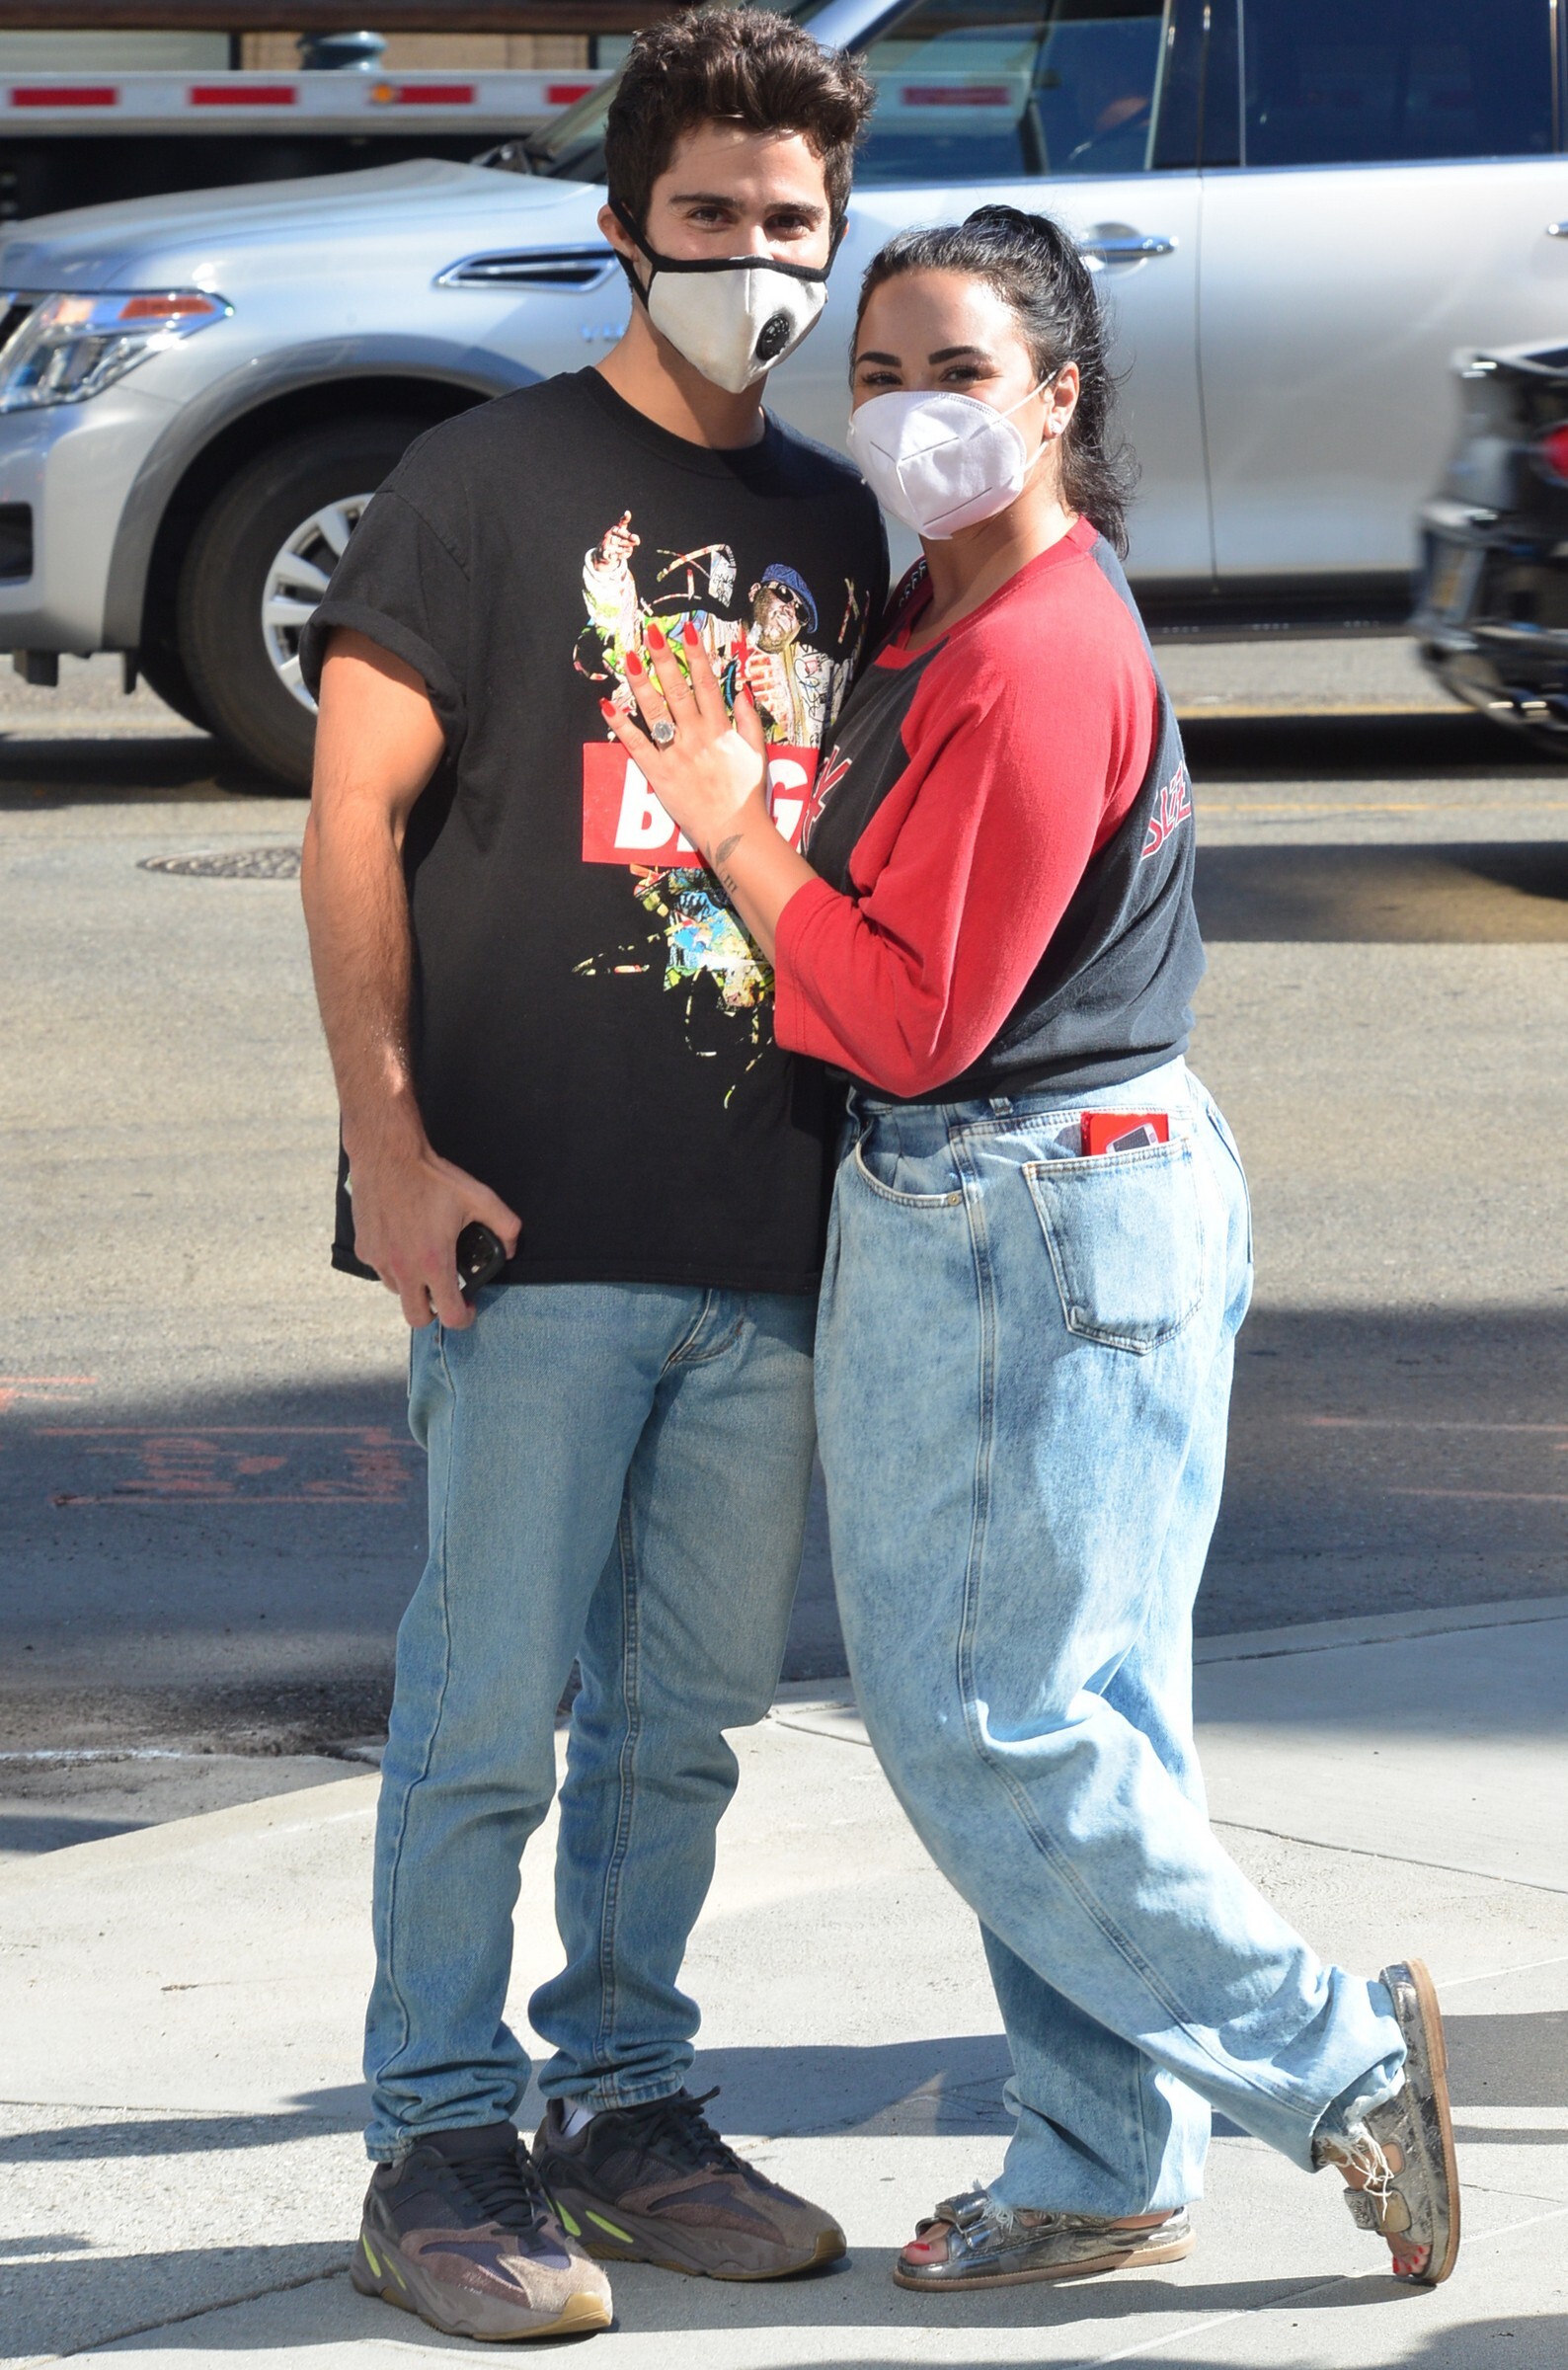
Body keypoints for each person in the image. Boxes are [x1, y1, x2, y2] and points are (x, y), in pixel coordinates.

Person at [603, 204, 1459, 2297]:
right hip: (1063, 1194)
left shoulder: (1029, 651)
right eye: (879, 374)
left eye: (960, 373)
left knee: (988, 1726)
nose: (911, 413)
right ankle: (1096, 2157)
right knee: (1080, 1720)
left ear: (1059, 396)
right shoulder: (948, 606)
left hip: (1017, 1207)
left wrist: (725, 819)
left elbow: (911, 1018)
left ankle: (1336, 2065)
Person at [297, 11, 885, 2343]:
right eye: (712, 214)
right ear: (626, 225)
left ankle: (627, 2106)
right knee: (483, 1713)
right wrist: (390, 1148)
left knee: (681, 1725)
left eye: (792, 222)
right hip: (519, 1229)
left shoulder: (836, 522)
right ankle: (437, 2140)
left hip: (767, 1234)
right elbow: (348, 823)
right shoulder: (482, 483)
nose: (756, 259)